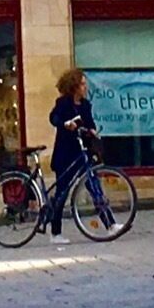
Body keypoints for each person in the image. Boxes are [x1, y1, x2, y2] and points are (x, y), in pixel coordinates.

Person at [46, 66, 98, 238]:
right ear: (74, 86)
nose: (85, 87)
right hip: (65, 154)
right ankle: (56, 233)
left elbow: (90, 124)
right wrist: (65, 124)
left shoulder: (86, 105)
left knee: (94, 186)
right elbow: (53, 118)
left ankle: (110, 223)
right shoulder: (63, 103)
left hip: (82, 152)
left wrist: (92, 131)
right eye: (82, 84)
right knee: (62, 193)